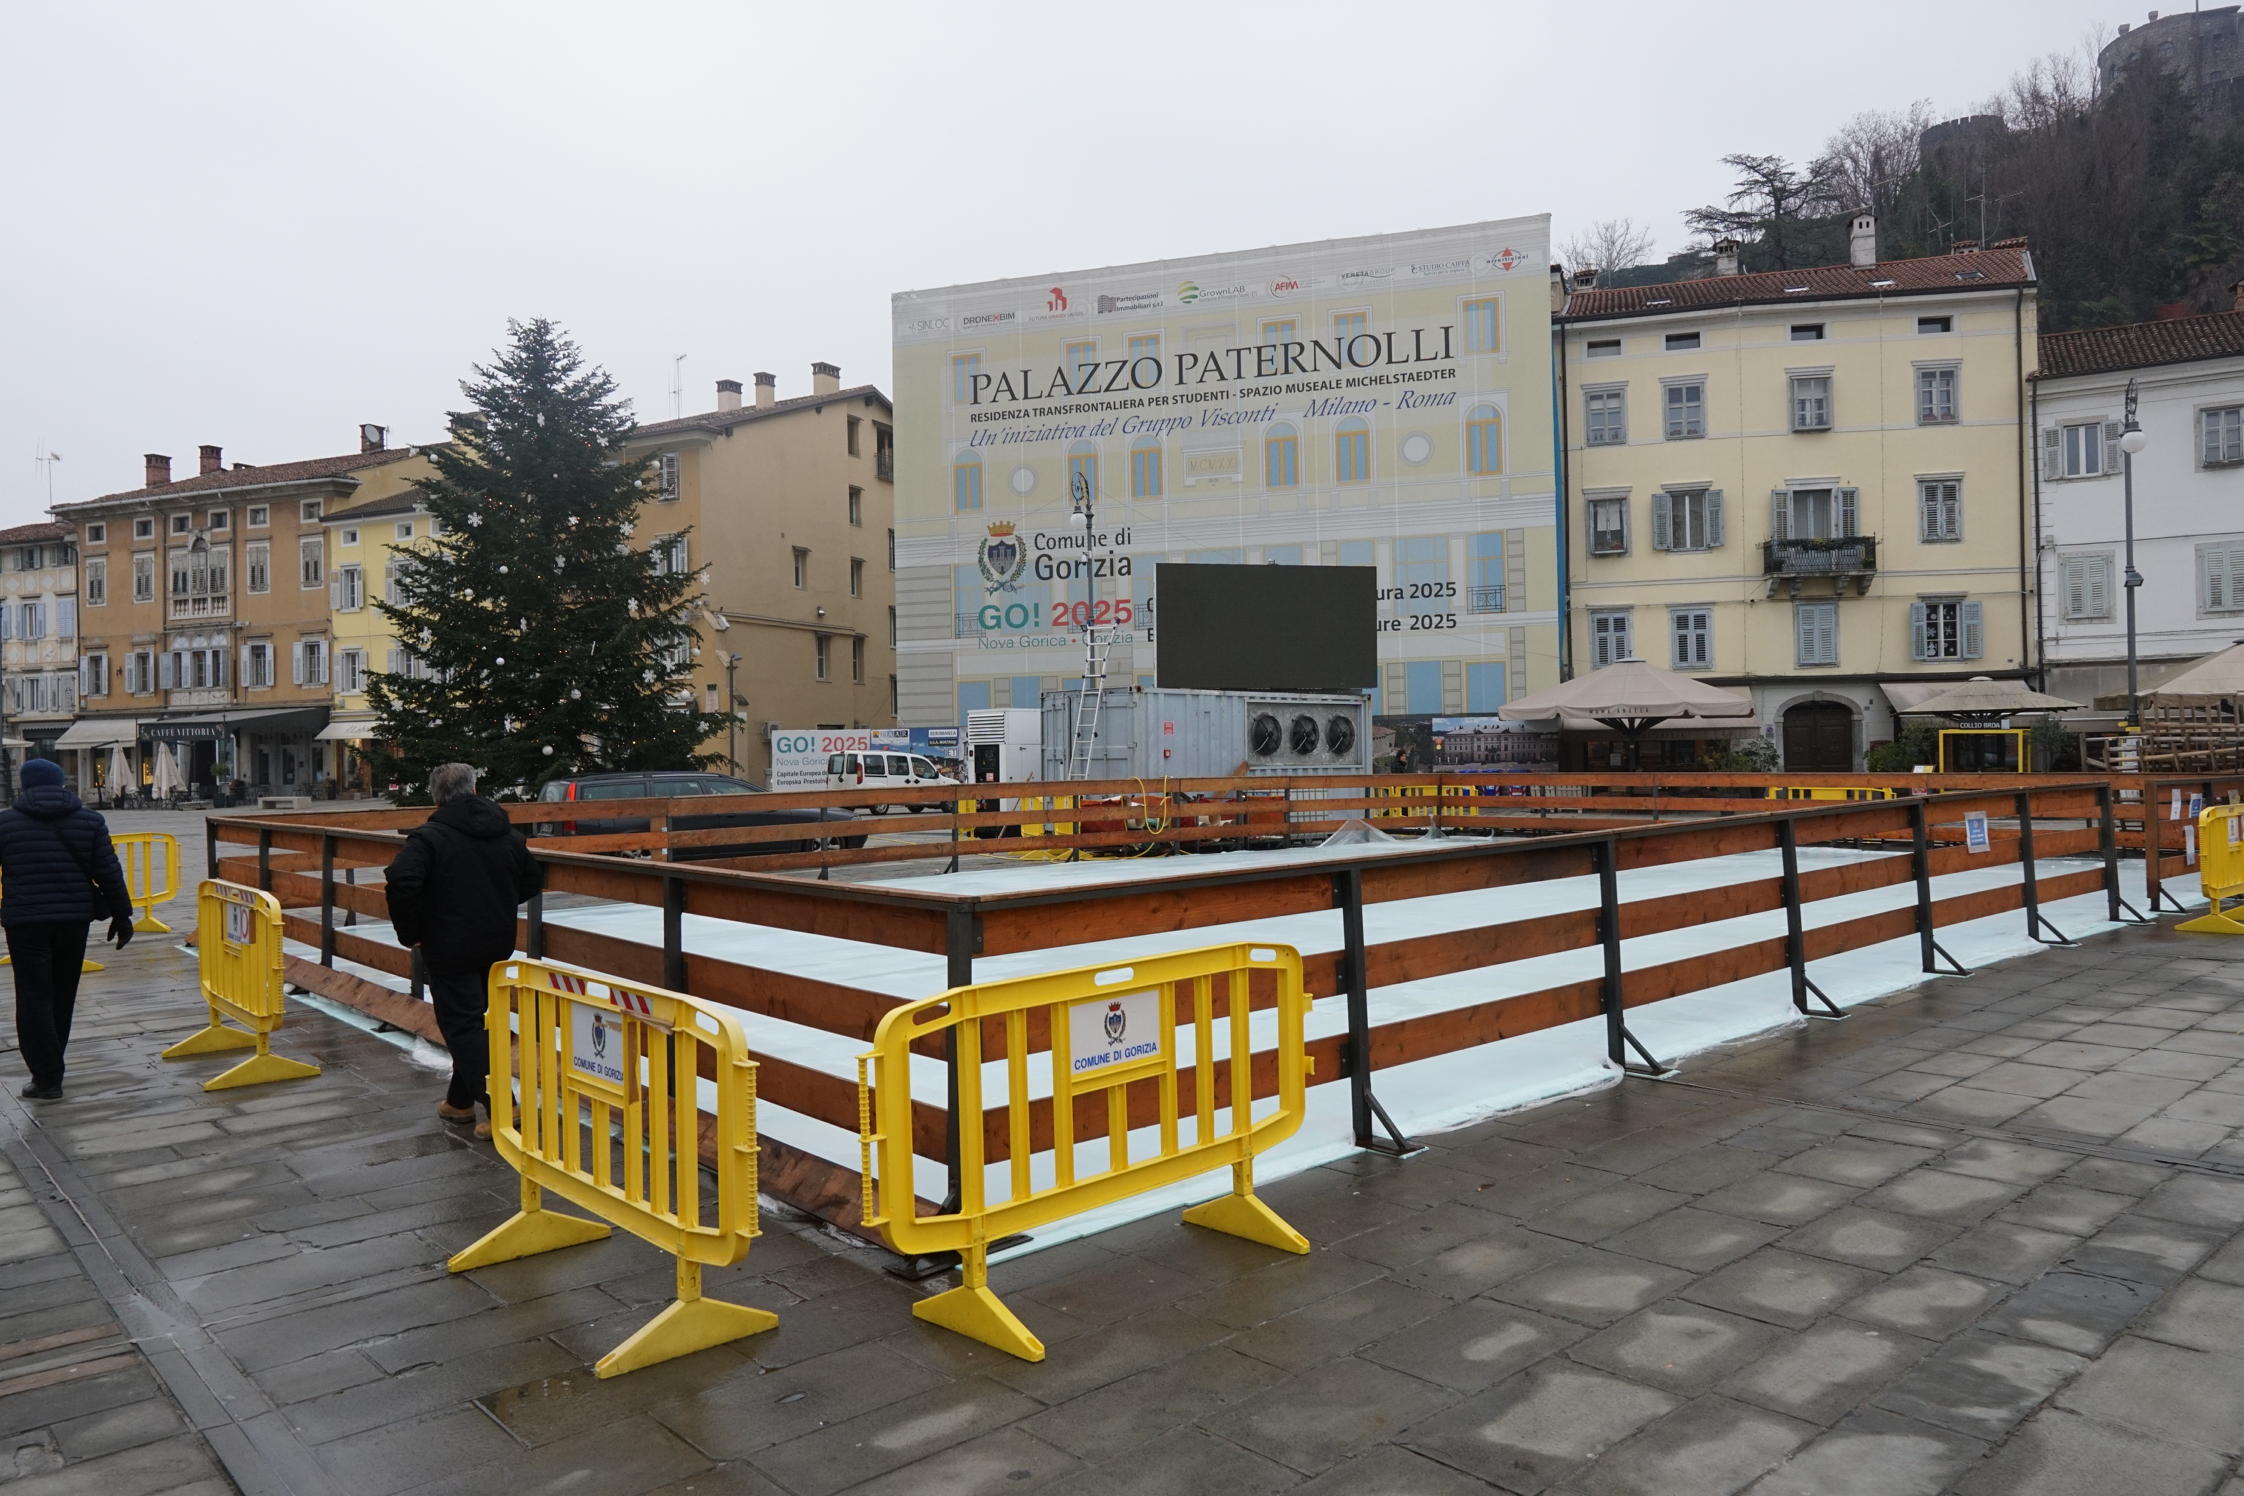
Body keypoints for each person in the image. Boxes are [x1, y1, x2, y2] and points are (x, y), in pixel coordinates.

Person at [384, 764, 540, 1139]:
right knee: (469, 1021)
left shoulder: (429, 838)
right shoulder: (507, 834)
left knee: (462, 1024)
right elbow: (533, 880)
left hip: (449, 944)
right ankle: (459, 1102)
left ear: (436, 796)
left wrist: (412, 933)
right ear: (474, 788)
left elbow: (402, 880)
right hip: (495, 943)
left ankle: (504, 1105)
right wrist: (498, 905)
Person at [0, 759, 134, 1100]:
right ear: (61, 784)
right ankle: (53, 1066)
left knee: (33, 997)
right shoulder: (90, 821)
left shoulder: (6, 823)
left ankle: (46, 1077)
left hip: (25, 923)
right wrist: (123, 917)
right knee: (63, 994)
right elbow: (109, 873)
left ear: (24, 786)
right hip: (73, 922)